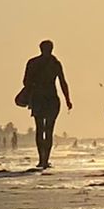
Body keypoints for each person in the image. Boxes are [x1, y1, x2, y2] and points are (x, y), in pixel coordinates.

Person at [22, 39, 72, 168]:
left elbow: (25, 81)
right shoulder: (55, 63)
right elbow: (62, 82)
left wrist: (35, 85)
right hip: (51, 98)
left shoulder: (32, 63)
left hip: (38, 98)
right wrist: (67, 99)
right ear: (51, 49)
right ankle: (45, 160)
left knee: (40, 129)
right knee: (48, 130)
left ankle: (41, 159)